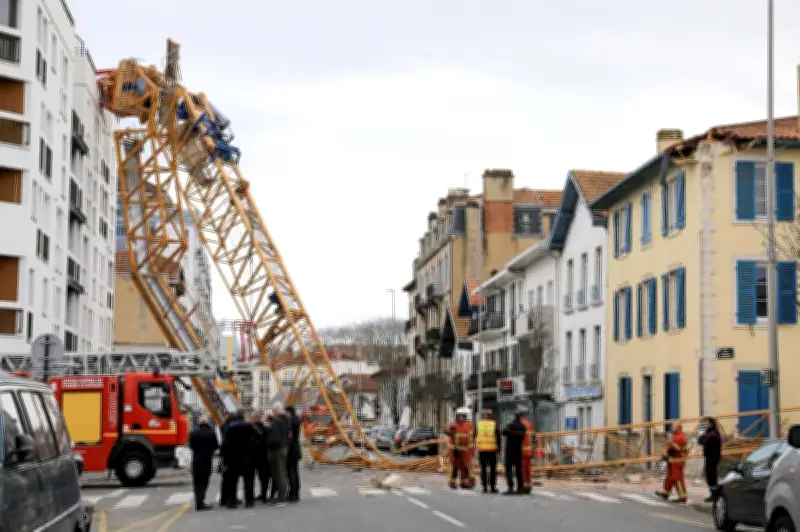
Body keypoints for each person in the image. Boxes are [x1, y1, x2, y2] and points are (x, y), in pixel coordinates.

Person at [221, 409, 258, 508]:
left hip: (233, 457)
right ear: (244, 416)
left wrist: (224, 456)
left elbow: (224, 442)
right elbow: (259, 435)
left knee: (233, 480)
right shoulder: (249, 425)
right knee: (249, 480)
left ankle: (232, 501)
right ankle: (249, 501)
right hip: (247, 456)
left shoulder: (230, 426)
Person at [188, 415, 218, 510]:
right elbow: (216, 446)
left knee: (196, 482)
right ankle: (201, 501)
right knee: (204, 482)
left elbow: (191, 445)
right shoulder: (211, 433)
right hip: (207, 460)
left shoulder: (193, 433)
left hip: (196, 460)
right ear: (207, 423)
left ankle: (198, 501)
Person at [655, 422, 689, 503]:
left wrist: (665, 455)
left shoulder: (680, 437)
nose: (672, 428)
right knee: (670, 478)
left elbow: (674, 449)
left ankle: (683, 497)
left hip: (677, 462)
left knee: (677, 479)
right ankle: (665, 493)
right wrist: (665, 453)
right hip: (673, 461)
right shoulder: (677, 436)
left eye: (674, 427)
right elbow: (671, 447)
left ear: (679, 428)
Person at [444, 407, 475, 489]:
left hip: (466, 450)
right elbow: (446, 430)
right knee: (454, 466)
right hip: (455, 450)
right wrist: (450, 432)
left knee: (465, 467)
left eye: (463, 416)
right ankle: (452, 483)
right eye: (459, 416)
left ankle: (464, 482)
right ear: (457, 416)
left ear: (465, 416)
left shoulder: (469, 425)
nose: (461, 417)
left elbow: (472, 436)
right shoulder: (453, 424)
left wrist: (472, 450)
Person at [265, 403, 289, 505]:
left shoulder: (277, 421)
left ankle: (282, 496)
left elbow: (274, 437)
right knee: (280, 473)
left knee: (279, 473)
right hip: (282, 448)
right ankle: (282, 495)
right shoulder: (284, 420)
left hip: (277, 449)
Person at [475, 409, 501, 493]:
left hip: (482, 450)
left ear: (484, 415)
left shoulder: (479, 424)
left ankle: (485, 487)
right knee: (493, 469)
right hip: (492, 450)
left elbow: (474, 436)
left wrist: (475, 448)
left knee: (483, 469)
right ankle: (492, 487)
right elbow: (498, 438)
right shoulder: (494, 424)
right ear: (491, 415)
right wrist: (499, 449)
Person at [502, 408, 526, 495]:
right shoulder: (523, 427)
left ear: (514, 417)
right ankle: (520, 488)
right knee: (519, 470)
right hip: (518, 450)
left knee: (509, 470)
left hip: (510, 451)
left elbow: (504, 432)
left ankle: (510, 488)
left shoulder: (510, 425)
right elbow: (522, 437)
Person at [698, 417, 722, 502]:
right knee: (709, 476)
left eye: (707, 424)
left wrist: (703, 437)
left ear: (712, 424)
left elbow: (704, 441)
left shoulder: (714, 433)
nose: (705, 425)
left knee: (712, 476)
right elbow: (700, 441)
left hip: (713, 457)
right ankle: (713, 494)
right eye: (705, 424)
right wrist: (703, 436)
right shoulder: (708, 433)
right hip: (708, 457)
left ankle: (716, 495)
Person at [250, 411, 271, 503]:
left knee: (251, 477)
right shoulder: (265, 428)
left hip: (253, 455)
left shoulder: (250, 428)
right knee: (264, 477)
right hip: (263, 455)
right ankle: (264, 495)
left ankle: (250, 496)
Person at [285, 405, 302, 502]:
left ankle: (293, 494)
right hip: (296, 449)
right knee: (295, 472)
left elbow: (289, 436)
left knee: (291, 472)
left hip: (291, 450)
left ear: (289, 412)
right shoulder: (296, 420)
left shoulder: (290, 422)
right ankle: (296, 493)